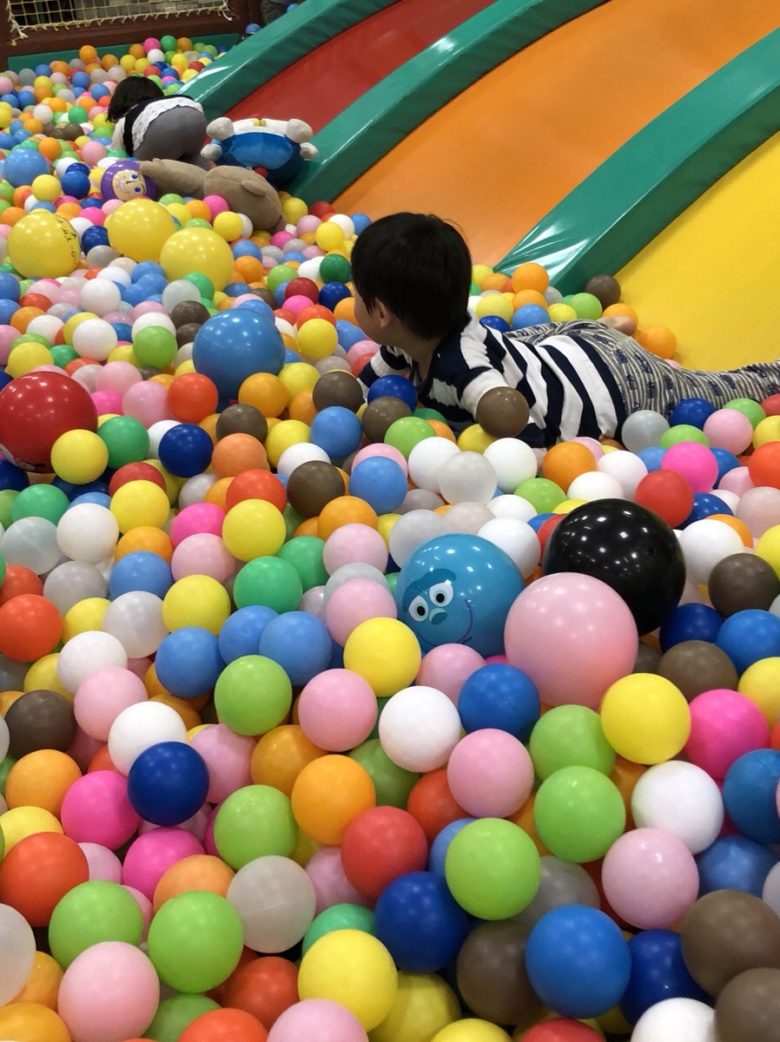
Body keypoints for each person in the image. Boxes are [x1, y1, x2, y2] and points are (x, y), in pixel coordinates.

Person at [353, 213, 780, 447]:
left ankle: (771, 372)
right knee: (513, 343)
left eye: (357, 293)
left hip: (616, 381)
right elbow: (363, 387)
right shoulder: (405, 341)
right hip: (565, 346)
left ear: (383, 314)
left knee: (714, 388)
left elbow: (523, 437)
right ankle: (606, 326)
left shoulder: (464, 372)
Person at [107, 76, 208, 166]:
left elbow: (117, 153)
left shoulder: (128, 117)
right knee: (194, 161)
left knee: (144, 169)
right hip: (192, 111)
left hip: (158, 130)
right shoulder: (164, 103)